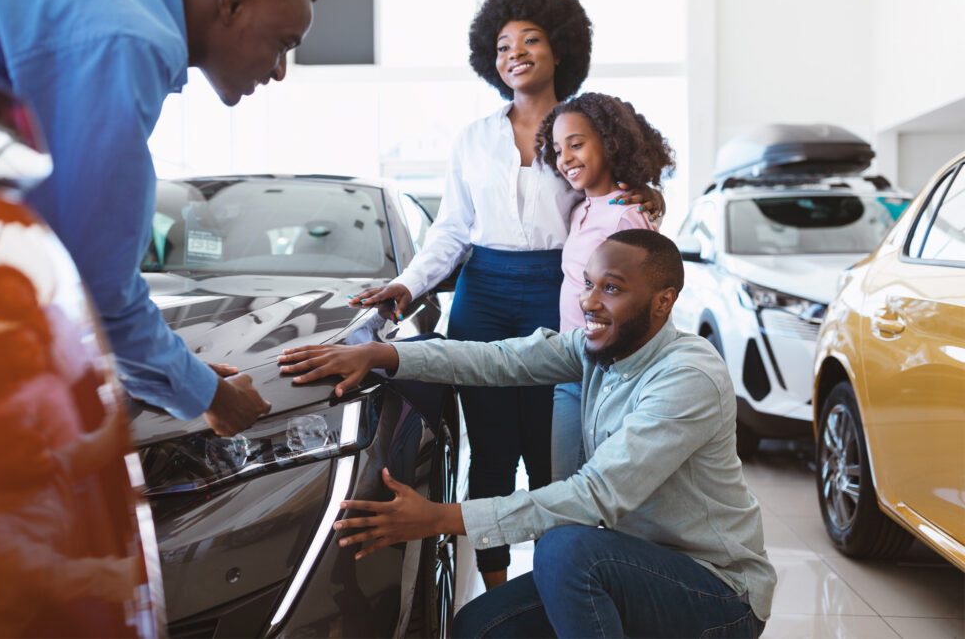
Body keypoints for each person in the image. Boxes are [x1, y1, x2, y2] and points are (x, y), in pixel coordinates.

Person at [278, 230, 776, 638]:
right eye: (588, 283)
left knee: (566, 549)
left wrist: (437, 518)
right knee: (479, 626)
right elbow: (499, 359)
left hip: (719, 593)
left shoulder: (687, 376)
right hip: (637, 567)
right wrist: (384, 355)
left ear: (664, 301)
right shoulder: (599, 348)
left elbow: (596, 496)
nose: (590, 303)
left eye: (613, 289)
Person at [348, 0, 662, 588]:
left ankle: (554, 583)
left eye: (531, 39)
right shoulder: (473, 139)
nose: (514, 52)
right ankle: (497, 592)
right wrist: (408, 286)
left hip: (560, 293)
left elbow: (618, 199)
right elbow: (452, 229)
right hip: (483, 294)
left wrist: (645, 197)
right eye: (501, 45)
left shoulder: (580, 134)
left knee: (552, 456)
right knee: (489, 451)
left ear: (559, 48)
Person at [0, 0, 320, 436]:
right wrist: (211, 395)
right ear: (234, 0)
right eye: (284, 43)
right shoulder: (125, 36)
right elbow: (94, 284)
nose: (280, 71)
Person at [535, 92, 676, 481]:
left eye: (576, 145)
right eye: (558, 150)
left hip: (605, 376)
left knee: (583, 494)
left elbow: (649, 306)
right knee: (563, 487)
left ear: (610, 144)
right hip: (571, 368)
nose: (565, 159)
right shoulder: (581, 208)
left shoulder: (627, 217)